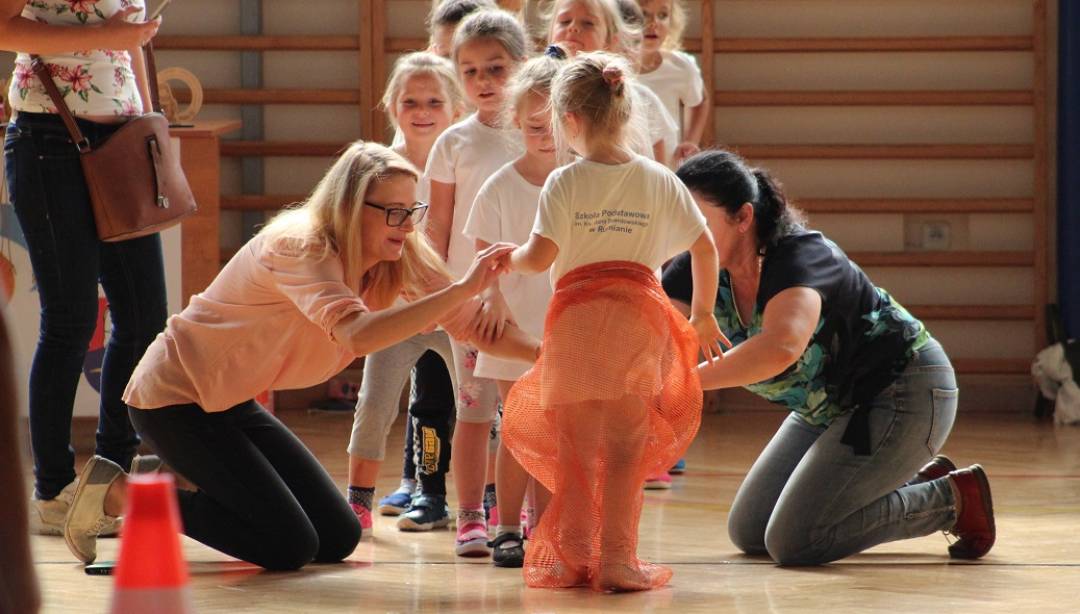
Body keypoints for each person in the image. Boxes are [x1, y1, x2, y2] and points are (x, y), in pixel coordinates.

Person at [61, 142, 539, 570]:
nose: (406, 225)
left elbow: (476, 326)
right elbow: (356, 335)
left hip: (230, 401)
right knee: (287, 545)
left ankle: (173, 472)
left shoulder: (402, 252)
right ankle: (125, 492)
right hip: (173, 399)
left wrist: (552, 355)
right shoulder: (300, 246)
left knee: (337, 537)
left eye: (410, 210)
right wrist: (458, 290)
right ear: (351, 209)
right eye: (393, 212)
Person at [664, 149, 995, 565]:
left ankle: (951, 500)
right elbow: (652, 336)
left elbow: (780, 347)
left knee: (797, 541)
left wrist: (681, 383)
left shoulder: (800, 256)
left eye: (697, 220)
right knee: (750, 532)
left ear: (743, 217)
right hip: (829, 406)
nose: (684, 233)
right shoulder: (690, 268)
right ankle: (905, 479)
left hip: (904, 392)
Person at [498, 52, 724, 591]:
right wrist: (703, 315)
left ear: (568, 120)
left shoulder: (564, 182)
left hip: (576, 323)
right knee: (626, 447)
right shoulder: (659, 179)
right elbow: (705, 247)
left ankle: (575, 556)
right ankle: (619, 558)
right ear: (626, 112)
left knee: (575, 447)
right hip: (637, 323)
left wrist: (510, 256)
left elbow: (538, 256)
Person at [1, 0, 167, 537]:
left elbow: (132, 43)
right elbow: (3, 27)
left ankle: (109, 476)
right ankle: (52, 489)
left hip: (121, 137)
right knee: (70, 319)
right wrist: (106, 32)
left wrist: (149, 123)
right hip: (46, 137)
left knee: (144, 317)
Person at [424, 8, 530, 557]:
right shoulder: (453, 143)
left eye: (496, 68)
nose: (484, 82)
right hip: (470, 306)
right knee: (473, 410)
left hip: (532, 303)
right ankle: (469, 516)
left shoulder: (542, 135)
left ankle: (525, 513)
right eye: (470, 71)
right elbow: (437, 227)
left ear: (522, 65)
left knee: (529, 412)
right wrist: (448, 296)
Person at [346, 52, 464, 536]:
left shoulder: (465, 158)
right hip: (396, 312)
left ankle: (489, 503)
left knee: (480, 409)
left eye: (434, 100)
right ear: (391, 105)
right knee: (374, 403)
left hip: (456, 311)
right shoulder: (378, 166)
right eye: (410, 100)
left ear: (454, 107)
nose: (422, 110)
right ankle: (357, 504)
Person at [462, 52, 564, 567]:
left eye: (556, 126)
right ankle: (506, 526)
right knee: (519, 423)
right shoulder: (500, 185)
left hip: (564, 326)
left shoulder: (579, 181)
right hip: (511, 329)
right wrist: (494, 299)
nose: (546, 136)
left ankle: (545, 529)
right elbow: (484, 259)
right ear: (516, 124)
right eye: (534, 127)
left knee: (553, 430)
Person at [544, 0, 677, 166]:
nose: (573, 28)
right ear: (549, 35)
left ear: (610, 42)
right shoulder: (538, 93)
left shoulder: (640, 99)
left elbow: (658, 167)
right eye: (564, 22)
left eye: (588, 23)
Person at [634, 0, 707, 163]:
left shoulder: (680, 67)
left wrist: (691, 141)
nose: (654, 23)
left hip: (667, 168)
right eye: (644, 14)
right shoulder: (610, 67)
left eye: (663, 15)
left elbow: (700, 100)